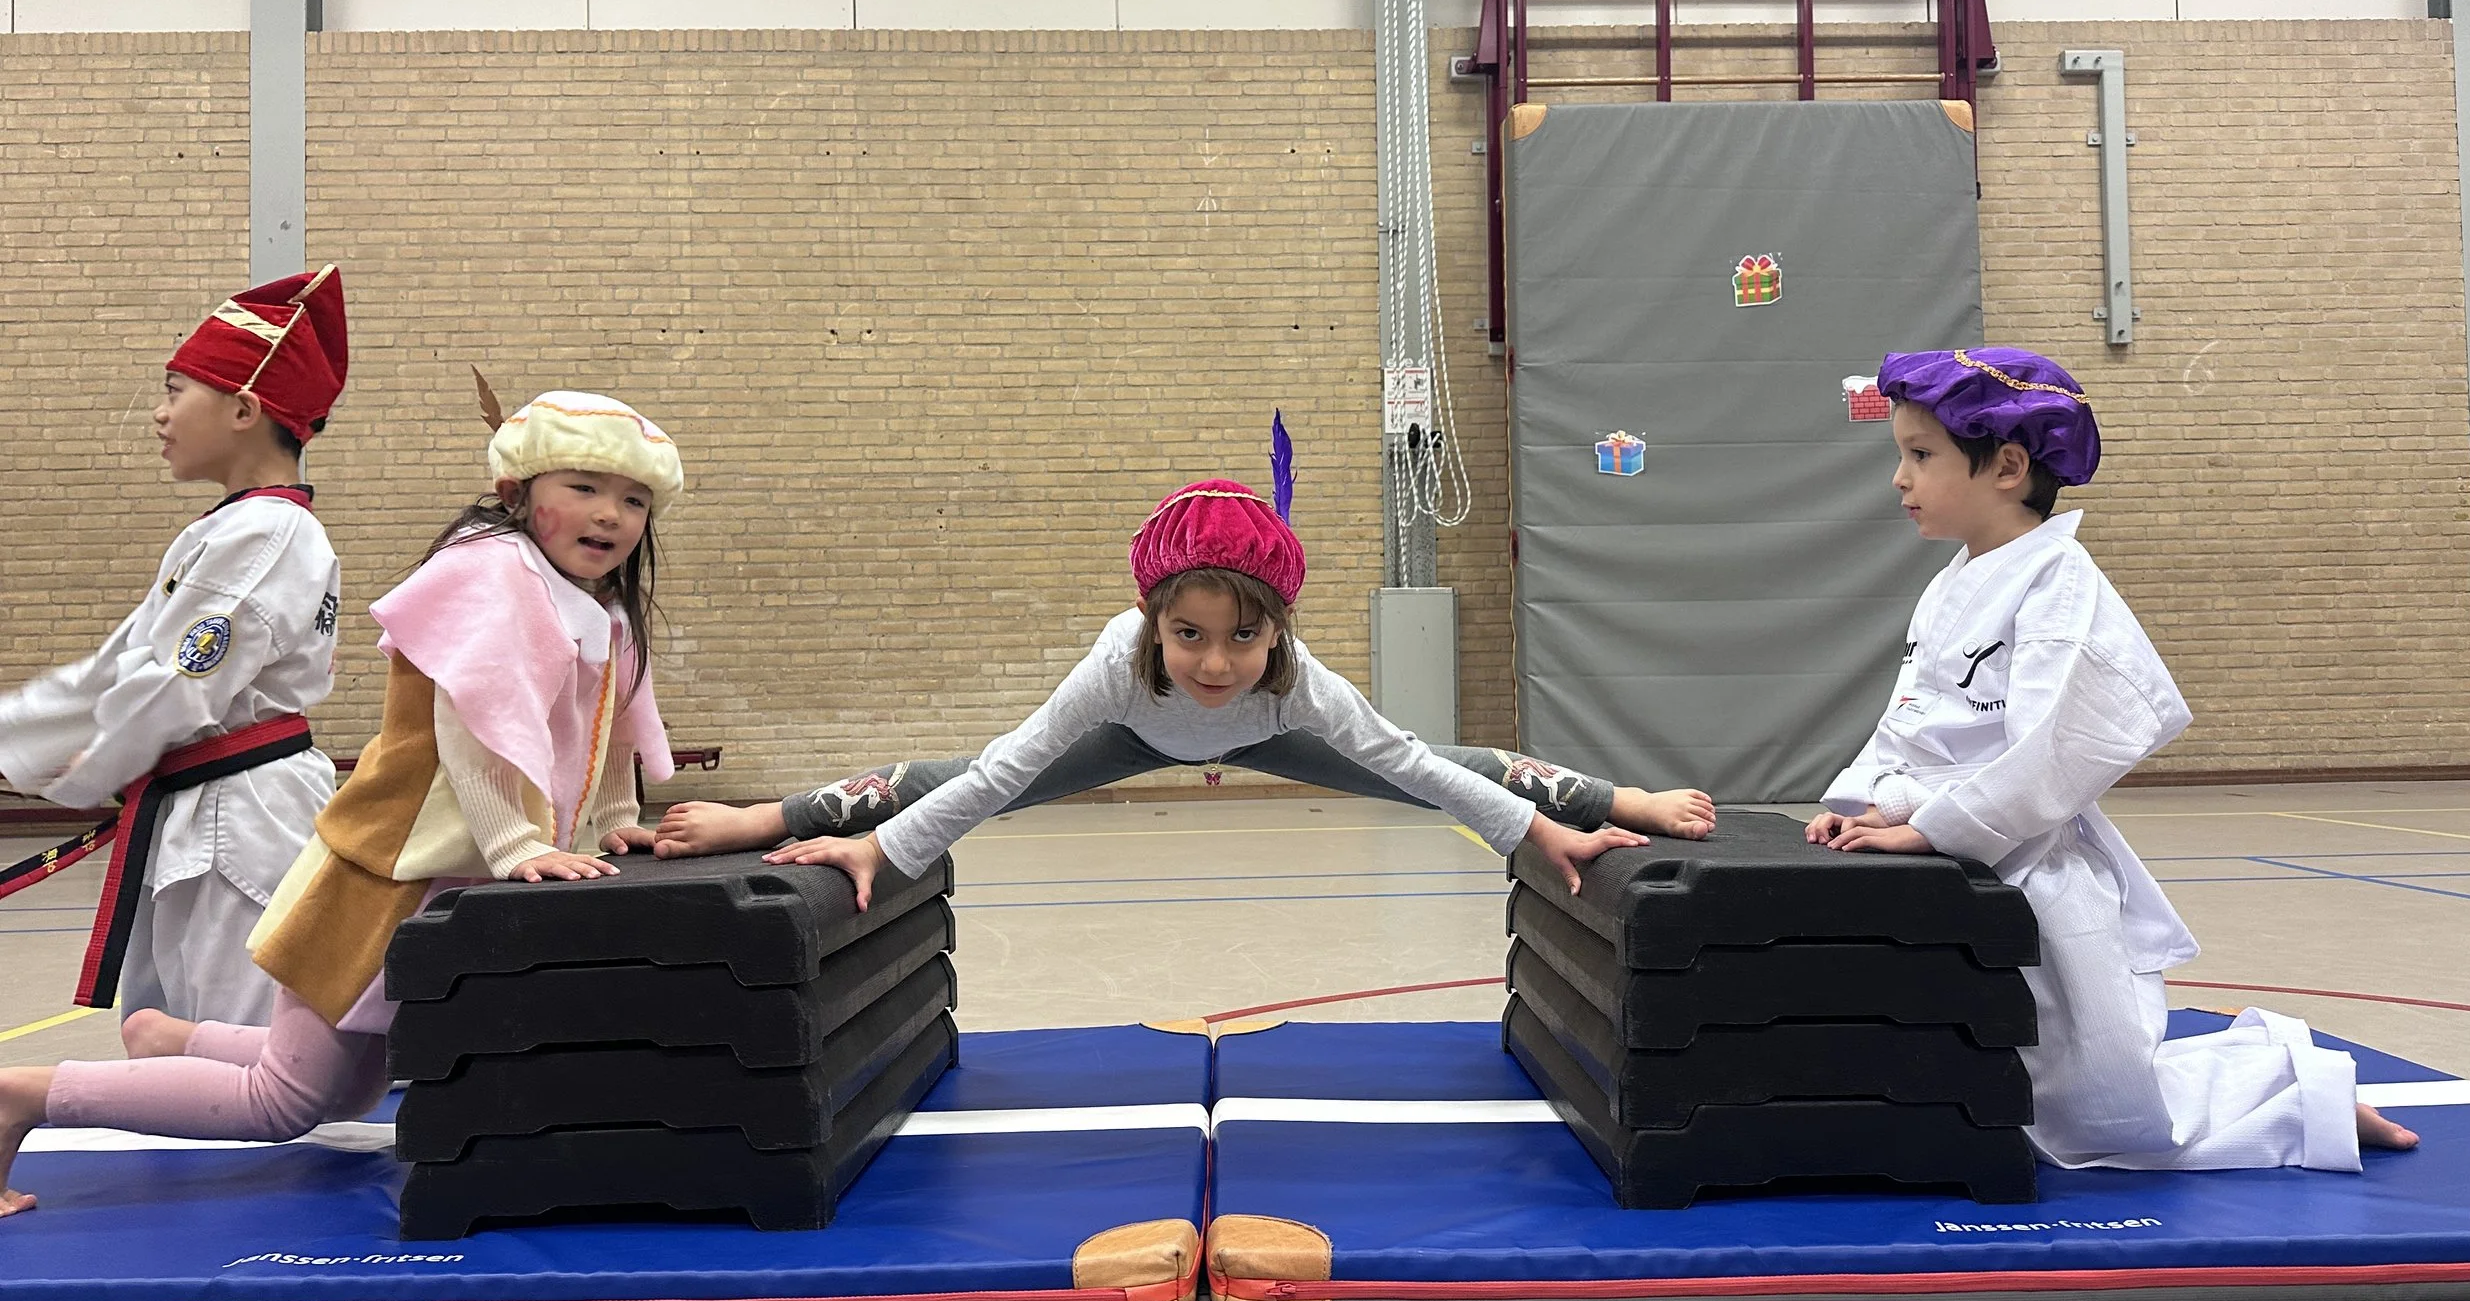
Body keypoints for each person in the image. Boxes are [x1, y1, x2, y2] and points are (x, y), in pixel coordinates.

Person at [0, 390, 682, 1220]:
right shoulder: (488, 574)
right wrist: (513, 844)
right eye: (583, 487)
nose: (611, 514)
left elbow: (607, 717)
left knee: (355, 1082)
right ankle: (22, 1096)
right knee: (283, 1102)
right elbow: (473, 718)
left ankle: (170, 1039)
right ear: (515, 493)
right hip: (387, 873)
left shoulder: (596, 604)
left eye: (634, 499)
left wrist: (613, 819)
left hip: (441, 874)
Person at [1805, 347, 2416, 1170]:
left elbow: (2061, 743)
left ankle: (2304, 1087)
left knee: (2109, 1118)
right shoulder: (1956, 581)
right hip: (1961, 856)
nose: (1899, 479)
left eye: (1921, 456)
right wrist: (1865, 802)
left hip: (2031, 865)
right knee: (2014, 1087)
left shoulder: (2059, 580)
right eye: (1901, 457)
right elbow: (1910, 717)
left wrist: (1936, 826)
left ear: (2009, 466)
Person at [657, 477, 1713, 904]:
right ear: (1155, 624)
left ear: (1278, 633)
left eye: (1241, 639)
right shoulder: (1117, 663)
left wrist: (1536, 833)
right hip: (1133, 738)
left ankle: (1611, 800)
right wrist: (878, 848)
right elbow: (1007, 771)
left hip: (1273, 739)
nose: (1213, 665)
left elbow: (1413, 767)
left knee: (1454, 761)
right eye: (1189, 635)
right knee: (951, 775)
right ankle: (766, 813)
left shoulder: (1301, 687)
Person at [0, 266, 350, 1029]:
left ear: (244, 408)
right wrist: (16, 744)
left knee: (234, 1040)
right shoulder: (231, 529)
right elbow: (118, 670)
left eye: (174, 391)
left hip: (243, 821)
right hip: (206, 810)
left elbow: (175, 687)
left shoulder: (269, 531)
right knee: (172, 1029)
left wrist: (89, 764)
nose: (158, 415)